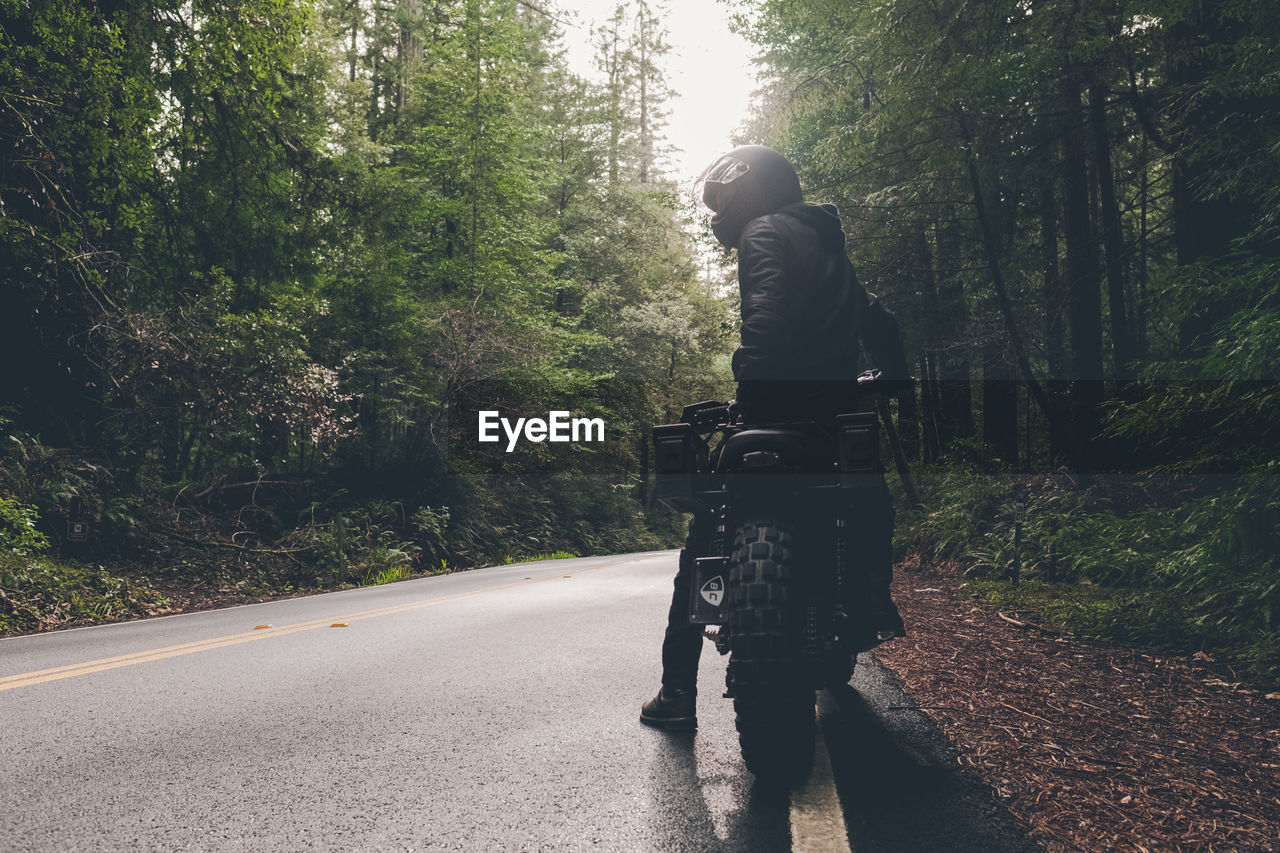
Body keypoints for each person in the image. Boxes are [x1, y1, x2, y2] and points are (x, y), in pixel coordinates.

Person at [640, 145, 911, 730]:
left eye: (721, 198)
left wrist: (757, 391)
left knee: (706, 538)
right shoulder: (826, 243)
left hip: (776, 406)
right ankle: (868, 595)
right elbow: (877, 319)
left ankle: (676, 692)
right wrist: (893, 374)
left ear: (750, 189)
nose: (717, 212)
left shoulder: (763, 232)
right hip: (832, 417)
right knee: (867, 499)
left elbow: (767, 313)